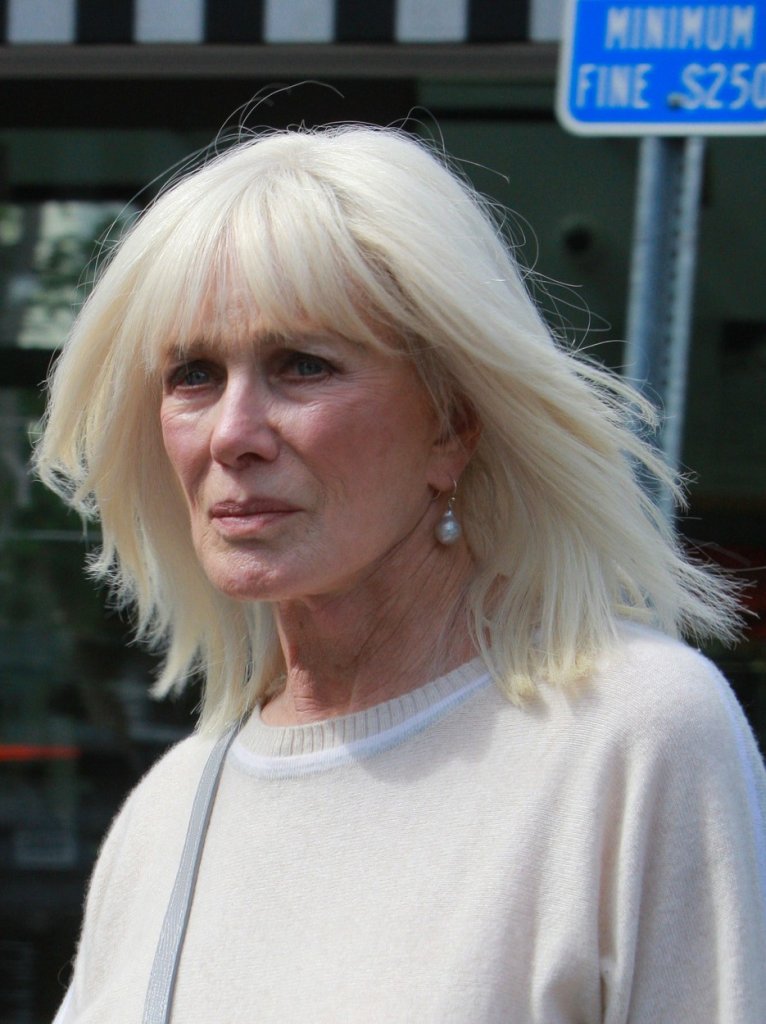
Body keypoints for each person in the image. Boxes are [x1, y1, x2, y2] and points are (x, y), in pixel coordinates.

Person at [37, 125, 765, 1023]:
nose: (233, 433)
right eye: (194, 374)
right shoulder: (172, 809)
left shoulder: (632, 739)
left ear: (452, 425)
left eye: (302, 365)